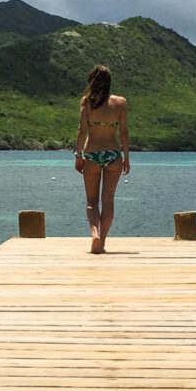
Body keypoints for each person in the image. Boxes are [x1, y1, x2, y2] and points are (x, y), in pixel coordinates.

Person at [74, 64, 129, 254]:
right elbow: (124, 132)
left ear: (92, 82)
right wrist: (127, 158)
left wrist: (78, 155)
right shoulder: (120, 103)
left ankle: (94, 234)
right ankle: (103, 242)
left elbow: (82, 130)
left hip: (92, 154)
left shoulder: (86, 102)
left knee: (91, 201)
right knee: (108, 200)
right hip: (113, 155)